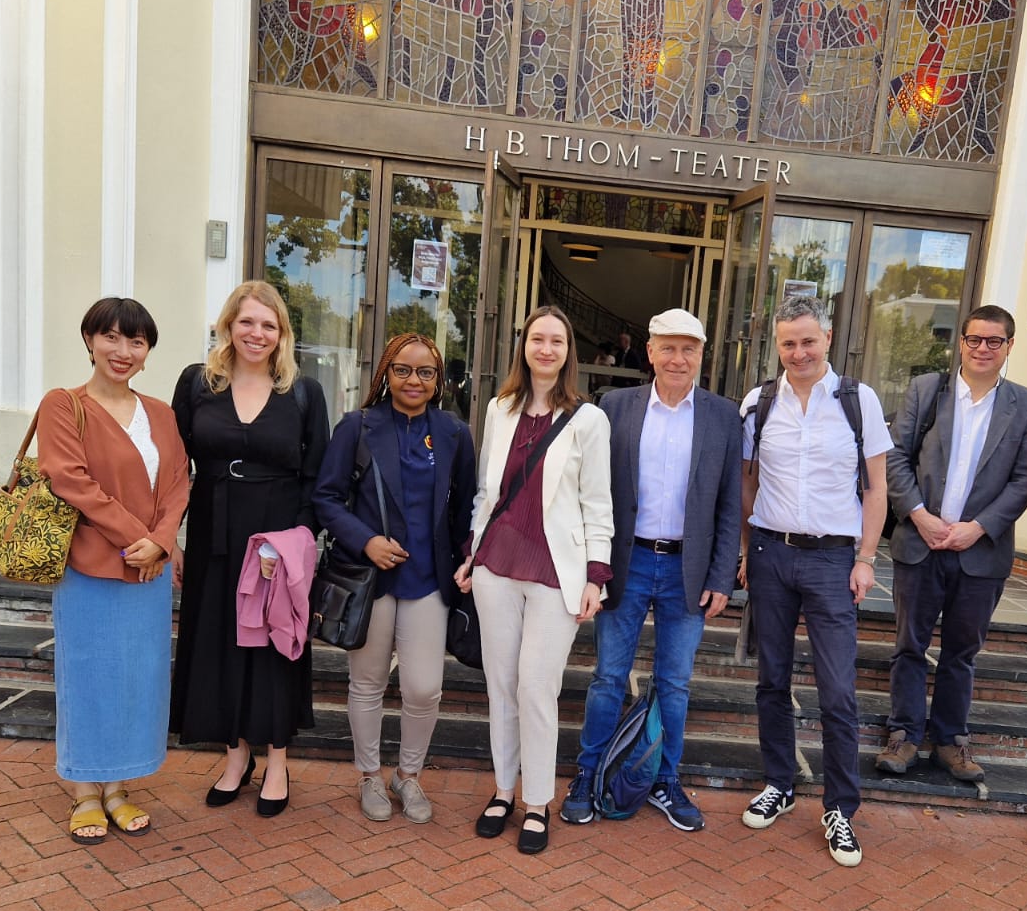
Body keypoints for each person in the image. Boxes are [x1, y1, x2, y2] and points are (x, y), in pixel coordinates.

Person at [561, 307, 742, 831]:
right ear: (650, 352)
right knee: (608, 677)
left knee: (675, 684)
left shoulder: (722, 416)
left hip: (688, 567)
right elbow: (588, 488)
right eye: (668, 347)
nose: (678, 358)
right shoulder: (614, 407)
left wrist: (720, 577)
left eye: (689, 348)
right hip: (627, 561)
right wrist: (591, 566)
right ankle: (587, 775)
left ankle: (664, 779)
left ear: (701, 355)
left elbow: (730, 503)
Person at [454, 305, 613, 855]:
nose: (546, 349)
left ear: (569, 352)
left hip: (555, 572)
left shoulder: (589, 420)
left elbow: (597, 502)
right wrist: (472, 553)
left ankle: (538, 801)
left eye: (557, 341)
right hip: (497, 565)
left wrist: (597, 575)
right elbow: (487, 493)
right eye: (537, 339)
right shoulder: (499, 409)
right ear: (524, 345)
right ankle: (503, 791)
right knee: (500, 684)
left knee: (537, 687)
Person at [737, 295, 889, 867]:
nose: (798, 352)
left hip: (832, 561)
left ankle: (839, 809)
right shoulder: (759, 402)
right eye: (788, 343)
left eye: (808, 340)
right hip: (773, 554)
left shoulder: (858, 400)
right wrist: (750, 550)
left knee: (838, 690)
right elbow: (748, 481)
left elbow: (877, 488)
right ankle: (779, 781)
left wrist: (866, 557)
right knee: (772, 679)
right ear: (777, 346)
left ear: (827, 338)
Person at [171, 281, 330, 817]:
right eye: (247, 323)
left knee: (275, 647)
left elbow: (318, 479)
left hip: (275, 540)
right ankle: (236, 758)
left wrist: (294, 545)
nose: (256, 334)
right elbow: (174, 469)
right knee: (219, 645)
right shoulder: (197, 385)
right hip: (215, 534)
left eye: (268, 324)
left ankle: (278, 761)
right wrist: (170, 535)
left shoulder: (303, 393)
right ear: (228, 327)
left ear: (281, 333)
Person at [38, 298, 190, 844]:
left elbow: (177, 482)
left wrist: (164, 542)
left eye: (136, 342)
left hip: (148, 575)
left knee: (136, 681)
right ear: (89, 341)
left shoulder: (162, 414)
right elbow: (70, 481)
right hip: (90, 567)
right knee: (86, 678)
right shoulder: (64, 405)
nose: (122, 351)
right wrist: (140, 539)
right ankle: (84, 791)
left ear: (148, 353)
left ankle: (120, 788)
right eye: (111, 337)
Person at [313, 332, 476, 825]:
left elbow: (468, 506)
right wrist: (366, 540)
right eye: (403, 369)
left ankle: (408, 775)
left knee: (425, 688)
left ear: (438, 380)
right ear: (385, 372)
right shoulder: (357, 427)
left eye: (425, 372)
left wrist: (468, 560)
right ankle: (369, 776)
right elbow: (326, 498)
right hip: (371, 579)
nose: (413, 380)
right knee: (366, 683)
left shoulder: (453, 433)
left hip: (429, 580)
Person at [879, 305, 1027, 784]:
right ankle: (904, 734)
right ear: (961, 342)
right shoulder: (927, 391)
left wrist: (979, 527)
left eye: (995, 341)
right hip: (921, 542)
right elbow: (896, 457)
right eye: (974, 339)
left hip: (981, 552)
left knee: (961, 651)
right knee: (909, 645)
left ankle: (951, 740)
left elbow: (1026, 477)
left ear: (1010, 347)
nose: (983, 349)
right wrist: (919, 515)